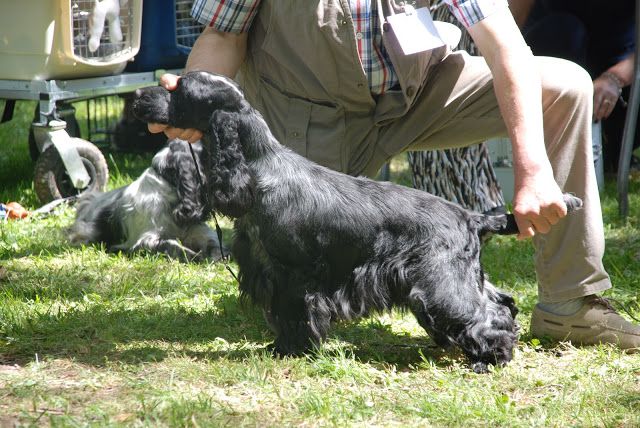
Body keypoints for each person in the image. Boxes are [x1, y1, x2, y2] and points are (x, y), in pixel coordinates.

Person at [149, 0, 640, 350]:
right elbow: (222, 35)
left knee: (567, 84)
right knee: (294, 250)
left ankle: (570, 300)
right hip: (309, 116)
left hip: (419, 92)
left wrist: (532, 169)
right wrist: (191, 111)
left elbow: (504, 42)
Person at [510, 0, 637, 174]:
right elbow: (512, 19)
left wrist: (615, 79)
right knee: (565, 30)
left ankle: (613, 153)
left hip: (620, 66)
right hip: (556, 54)